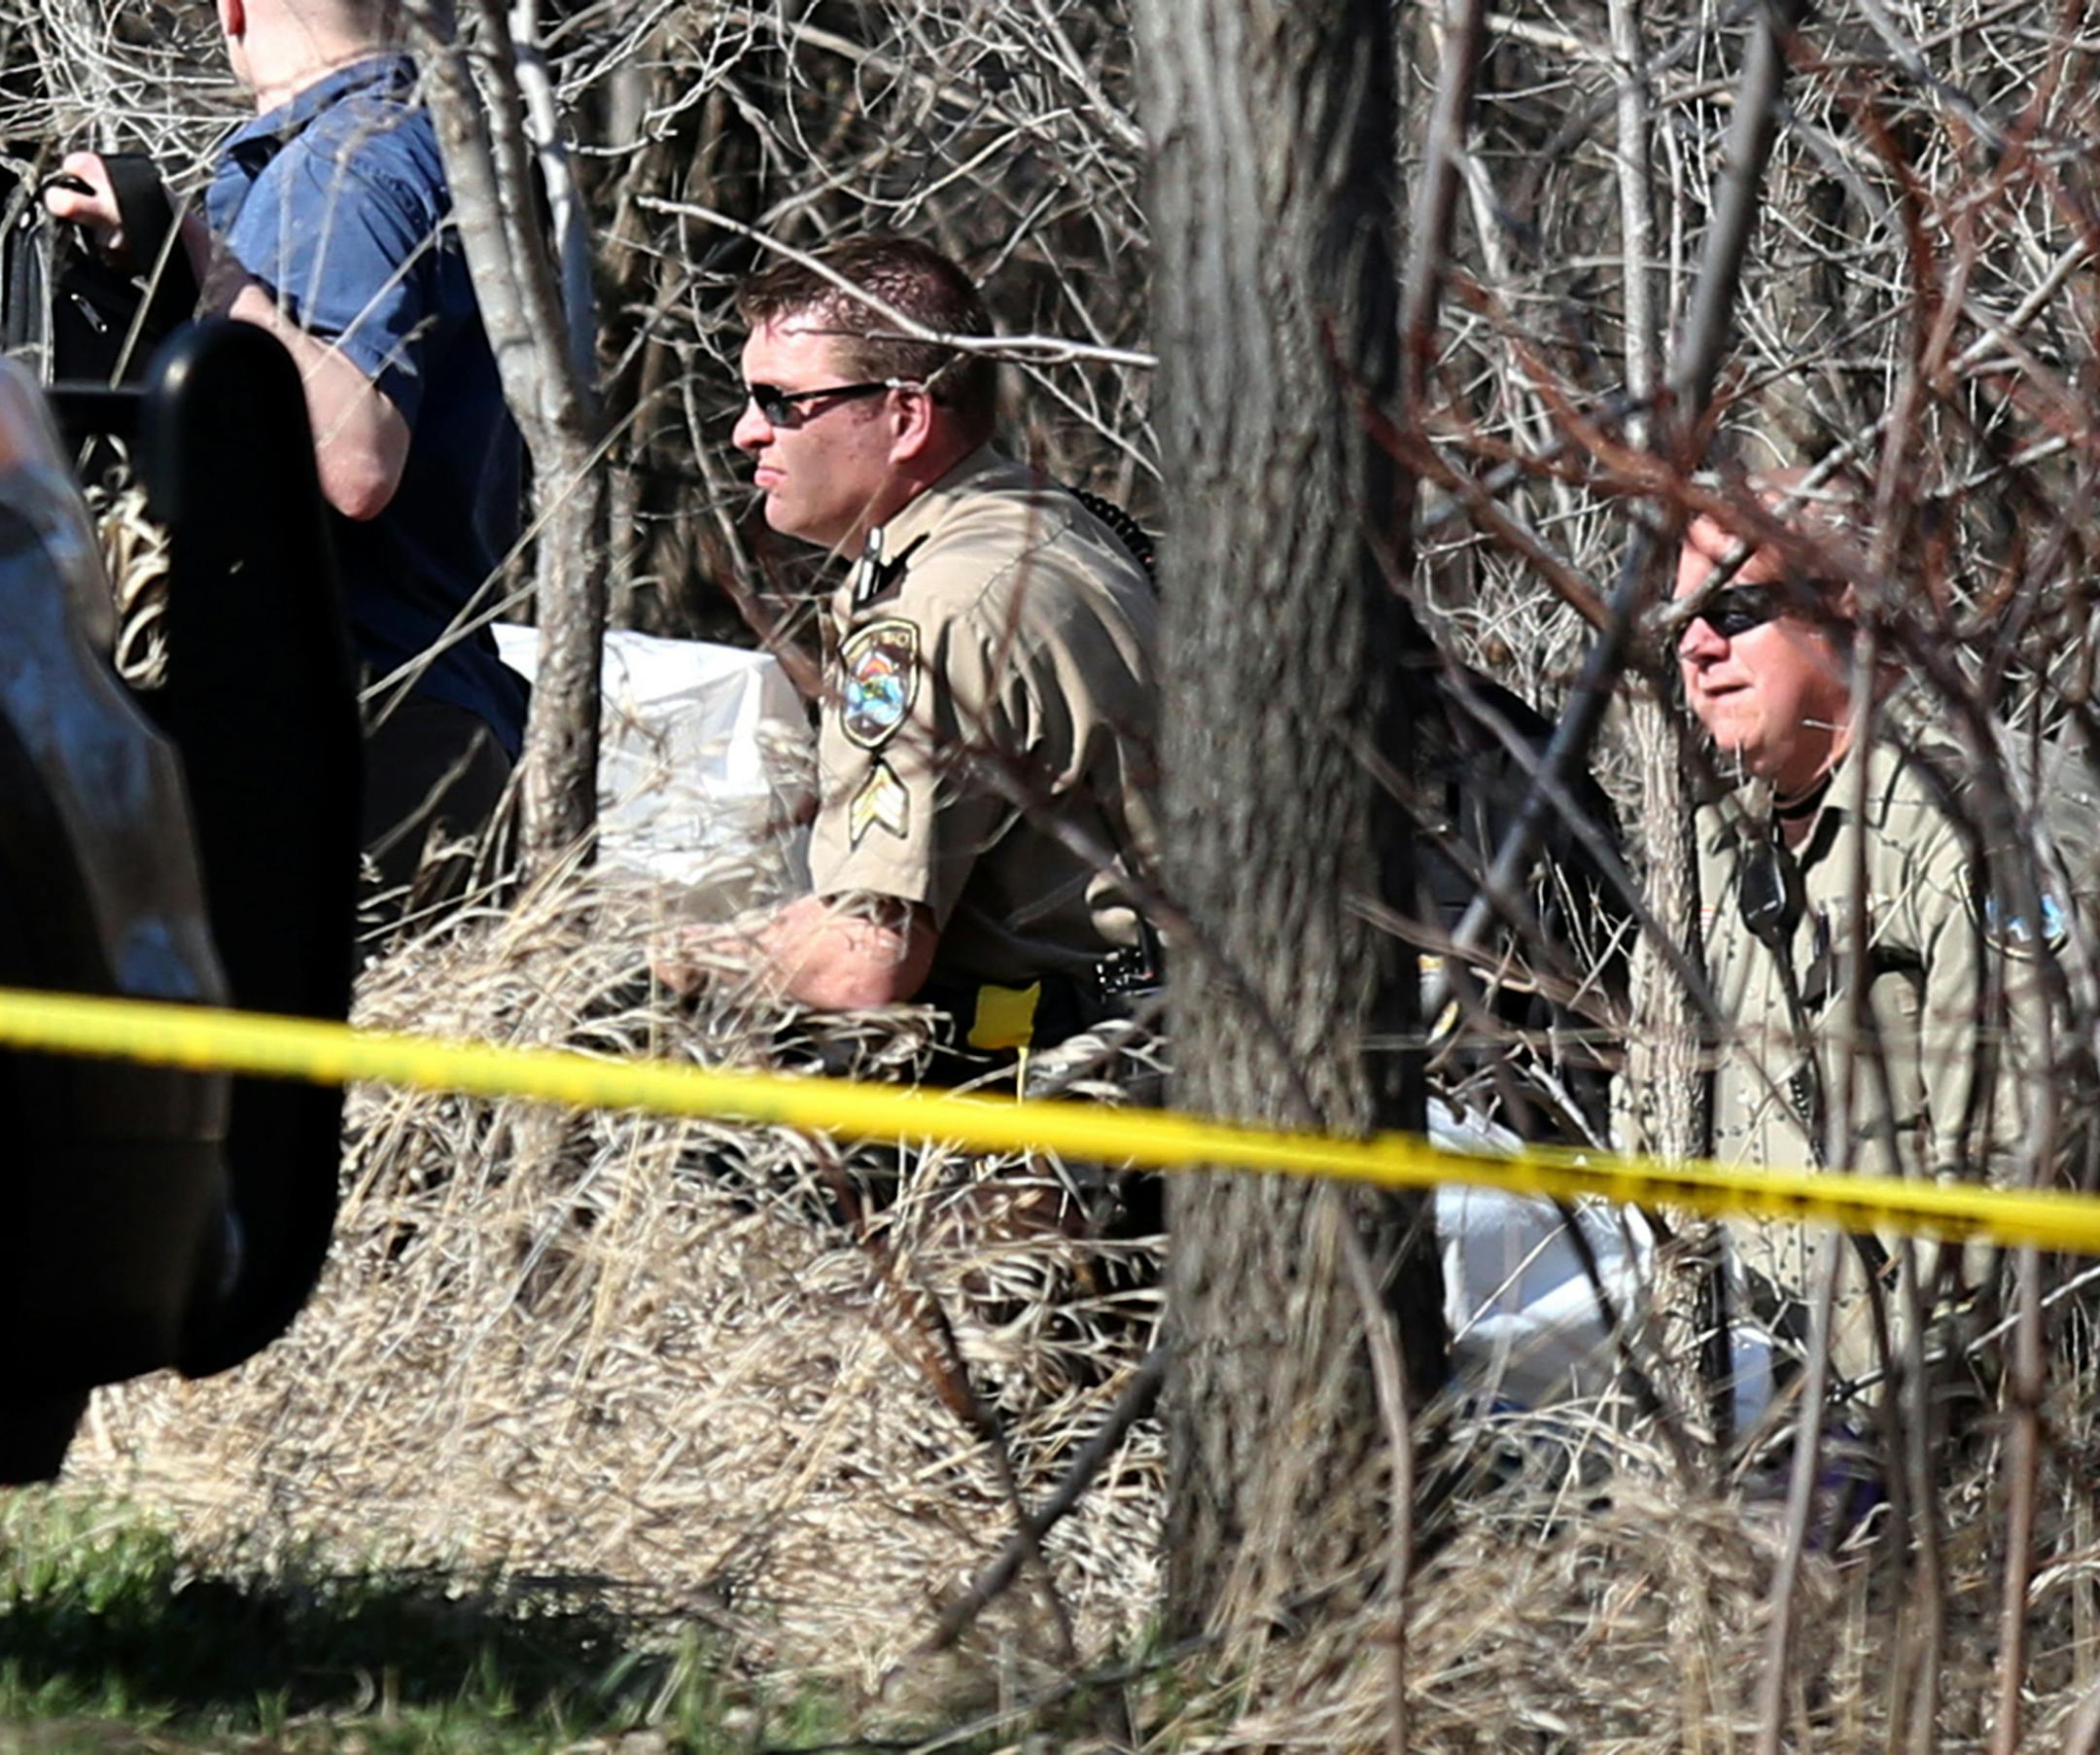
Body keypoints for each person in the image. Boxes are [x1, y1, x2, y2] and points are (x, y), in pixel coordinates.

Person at [46, 0, 528, 932]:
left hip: (359, 740)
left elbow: (355, 457)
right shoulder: (438, 154)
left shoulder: (337, 163)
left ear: (231, 10)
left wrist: (203, 257)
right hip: (422, 729)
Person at [662, 233, 1161, 1087]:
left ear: (905, 418)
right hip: (1174, 1038)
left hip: (1071, 1108)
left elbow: (868, 958)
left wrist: (667, 960)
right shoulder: (1052, 523)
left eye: (783, 403)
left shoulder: (936, 608)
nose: (747, 432)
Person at [1662, 476, 2093, 1415]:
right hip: (1762, 1411)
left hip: (1963, 1439)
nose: (1698, 646)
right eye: (1683, 620)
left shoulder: (1972, 816)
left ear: (1848, 603)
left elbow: (2029, 1158)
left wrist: (1907, 1411)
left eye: (1735, 608)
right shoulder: (1706, 840)